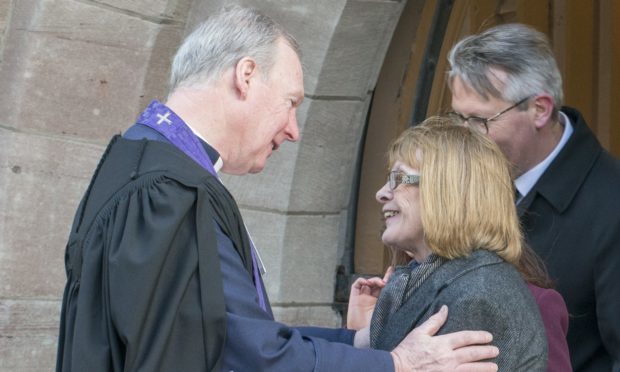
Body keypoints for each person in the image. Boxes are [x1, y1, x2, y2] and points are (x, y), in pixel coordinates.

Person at [55, 6, 501, 372]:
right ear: (245, 75)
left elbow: (224, 330)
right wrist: (396, 366)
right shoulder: (166, 191)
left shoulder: (143, 162)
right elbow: (243, 351)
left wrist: (359, 342)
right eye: (291, 103)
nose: (293, 130)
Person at [447, 23, 620, 371]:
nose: (466, 136)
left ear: (540, 109)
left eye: (480, 120)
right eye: (458, 118)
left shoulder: (612, 203)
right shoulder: (471, 179)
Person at [347, 117, 547, 370]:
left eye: (398, 179)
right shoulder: (443, 278)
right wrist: (361, 337)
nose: (382, 193)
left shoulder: (477, 294)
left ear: (447, 190)